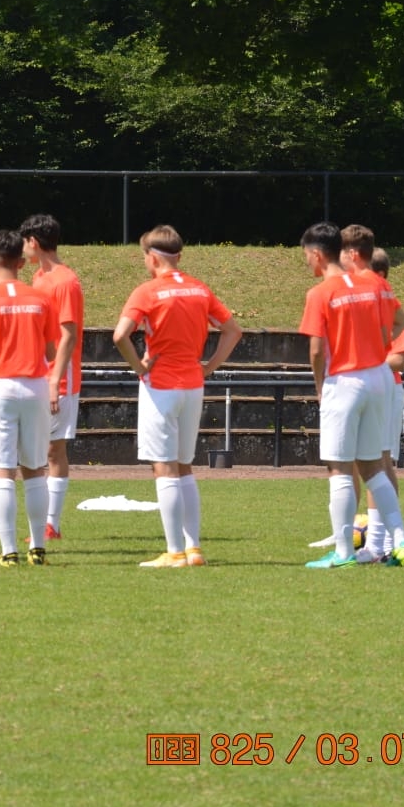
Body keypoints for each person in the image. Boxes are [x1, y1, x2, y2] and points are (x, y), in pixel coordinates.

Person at [111, 226, 243, 568]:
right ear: (179, 256)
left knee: (164, 468)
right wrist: (209, 366)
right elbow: (233, 330)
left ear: (152, 258)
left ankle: (174, 552)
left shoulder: (147, 292)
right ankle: (193, 548)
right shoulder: (199, 289)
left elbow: (120, 335)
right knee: (184, 468)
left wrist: (138, 367)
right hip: (192, 386)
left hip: (161, 387)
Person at [297, 221, 404, 569]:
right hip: (378, 378)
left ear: (317, 255)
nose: (307, 262)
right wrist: (376, 344)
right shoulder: (375, 283)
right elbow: (400, 320)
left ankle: (344, 551)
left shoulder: (320, 293)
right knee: (374, 467)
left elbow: (316, 350)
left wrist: (320, 387)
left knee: (339, 468)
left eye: (306, 256)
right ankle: (400, 540)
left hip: (345, 381)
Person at [0, 230, 63, 567]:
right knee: (35, 468)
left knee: (2, 470)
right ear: (21, 262)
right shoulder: (40, 299)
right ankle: (38, 548)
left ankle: (8, 552)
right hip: (34, 386)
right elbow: (51, 350)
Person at [19, 213, 82, 541]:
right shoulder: (39, 279)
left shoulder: (65, 281)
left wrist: (55, 380)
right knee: (37, 450)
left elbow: (68, 334)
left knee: (53, 450)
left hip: (61, 376)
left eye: (24, 242)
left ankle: (51, 524)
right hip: (39, 374)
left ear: (34, 242)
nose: (22, 249)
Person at [353, 242, 404, 564]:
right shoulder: (368, 304)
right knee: (375, 461)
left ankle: (383, 542)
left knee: (381, 462)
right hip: (375, 387)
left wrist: (365, 362)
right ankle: (382, 541)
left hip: (387, 388)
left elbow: (399, 359)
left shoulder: (386, 304)